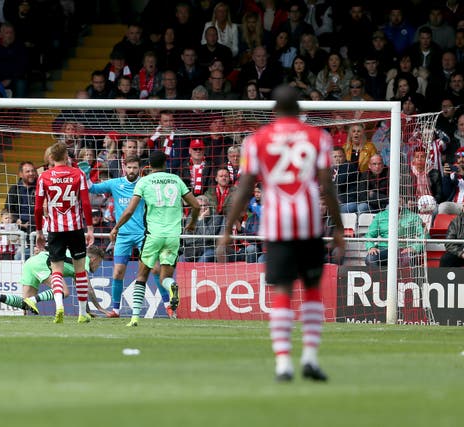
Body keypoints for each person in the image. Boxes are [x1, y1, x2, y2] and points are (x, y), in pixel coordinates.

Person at [216, 84, 345, 382]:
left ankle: (284, 363)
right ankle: (311, 357)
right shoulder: (319, 138)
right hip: (310, 222)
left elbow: (246, 187)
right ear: (300, 111)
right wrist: (337, 227)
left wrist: (227, 228)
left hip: (276, 225)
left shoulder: (256, 141)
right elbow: (327, 185)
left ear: (274, 111)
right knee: (312, 289)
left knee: (283, 290)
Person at [110, 150, 200, 326]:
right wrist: (192, 224)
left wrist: (116, 227)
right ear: (165, 164)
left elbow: (129, 211)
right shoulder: (176, 180)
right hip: (173, 236)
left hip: (153, 235)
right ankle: (172, 285)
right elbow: (196, 205)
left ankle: (135, 317)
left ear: (148, 166)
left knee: (142, 275)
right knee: (165, 277)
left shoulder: (144, 182)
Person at [89, 155, 173, 318]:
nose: (132, 170)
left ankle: (169, 305)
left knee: (155, 269)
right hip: (123, 236)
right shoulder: (115, 183)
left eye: (135, 168)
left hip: (143, 234)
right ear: (124, 167)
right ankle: (115, 310)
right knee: (118, 272)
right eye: (129, 167)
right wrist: (85, 176)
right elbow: (93, 188)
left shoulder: (146, 183)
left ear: (139, 168)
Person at [33, 142, 95, 324]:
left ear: (51, 157)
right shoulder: (79, 174)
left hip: (55, 230)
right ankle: (82, 313)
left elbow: (37, 208)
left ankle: (59, 305)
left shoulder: (44, 176)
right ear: (67, 156)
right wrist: (90, 228)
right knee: (80, 271)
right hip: (75, 229)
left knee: (57, 271)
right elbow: (85, 204)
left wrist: (38, 231)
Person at [0, 246, 108, 316]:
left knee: (25, 304)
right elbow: (89, 288)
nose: (97, 267)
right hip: (43, 264)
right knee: (64, 291)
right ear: (94, 259)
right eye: (99, 263)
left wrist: (87, 311)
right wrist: (100, 308)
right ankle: (32, 300)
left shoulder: (74, 255)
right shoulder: (83, 259)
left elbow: (82, 291)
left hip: (31, 262)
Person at [364, 200, 427, 268]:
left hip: (404, 249)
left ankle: (404, 278)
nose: (397, 201)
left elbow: (424, 235)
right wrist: (371, 247)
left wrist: (414, 248)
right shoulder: (380, 216)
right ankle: (379, 278)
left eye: (400, 200)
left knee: (409, 259)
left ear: (402, 201)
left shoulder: (413, 216)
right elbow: (369, 235)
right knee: (370, 259)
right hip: (384, 248)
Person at [4, 161, 36, 259]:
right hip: (19, 228)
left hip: (37, 226)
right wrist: (17, 221)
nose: (31, 173)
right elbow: (8, 209)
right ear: (21, 174)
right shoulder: (14, 189)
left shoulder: (40, 187)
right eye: (28, 171)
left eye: (32, 171)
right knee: (18, 257)